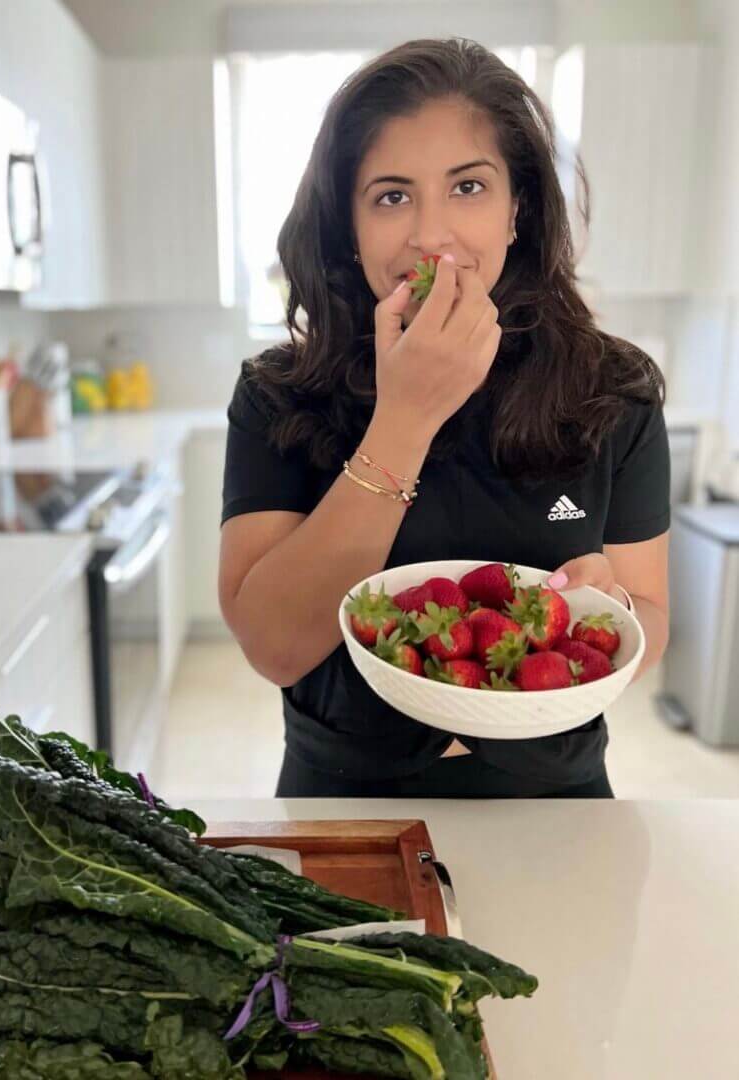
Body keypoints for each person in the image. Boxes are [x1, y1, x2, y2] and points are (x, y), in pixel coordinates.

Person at [218, 38, 670, 799]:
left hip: (557, 805)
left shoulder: (613, 389)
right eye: (391, 197)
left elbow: (649, 621)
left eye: (468, 187)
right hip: (345, 801)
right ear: (349, 226)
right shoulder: (279, 394)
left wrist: (612, 610)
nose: (431, 236)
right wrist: (405, 418)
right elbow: (274, 647)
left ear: (517, 209)